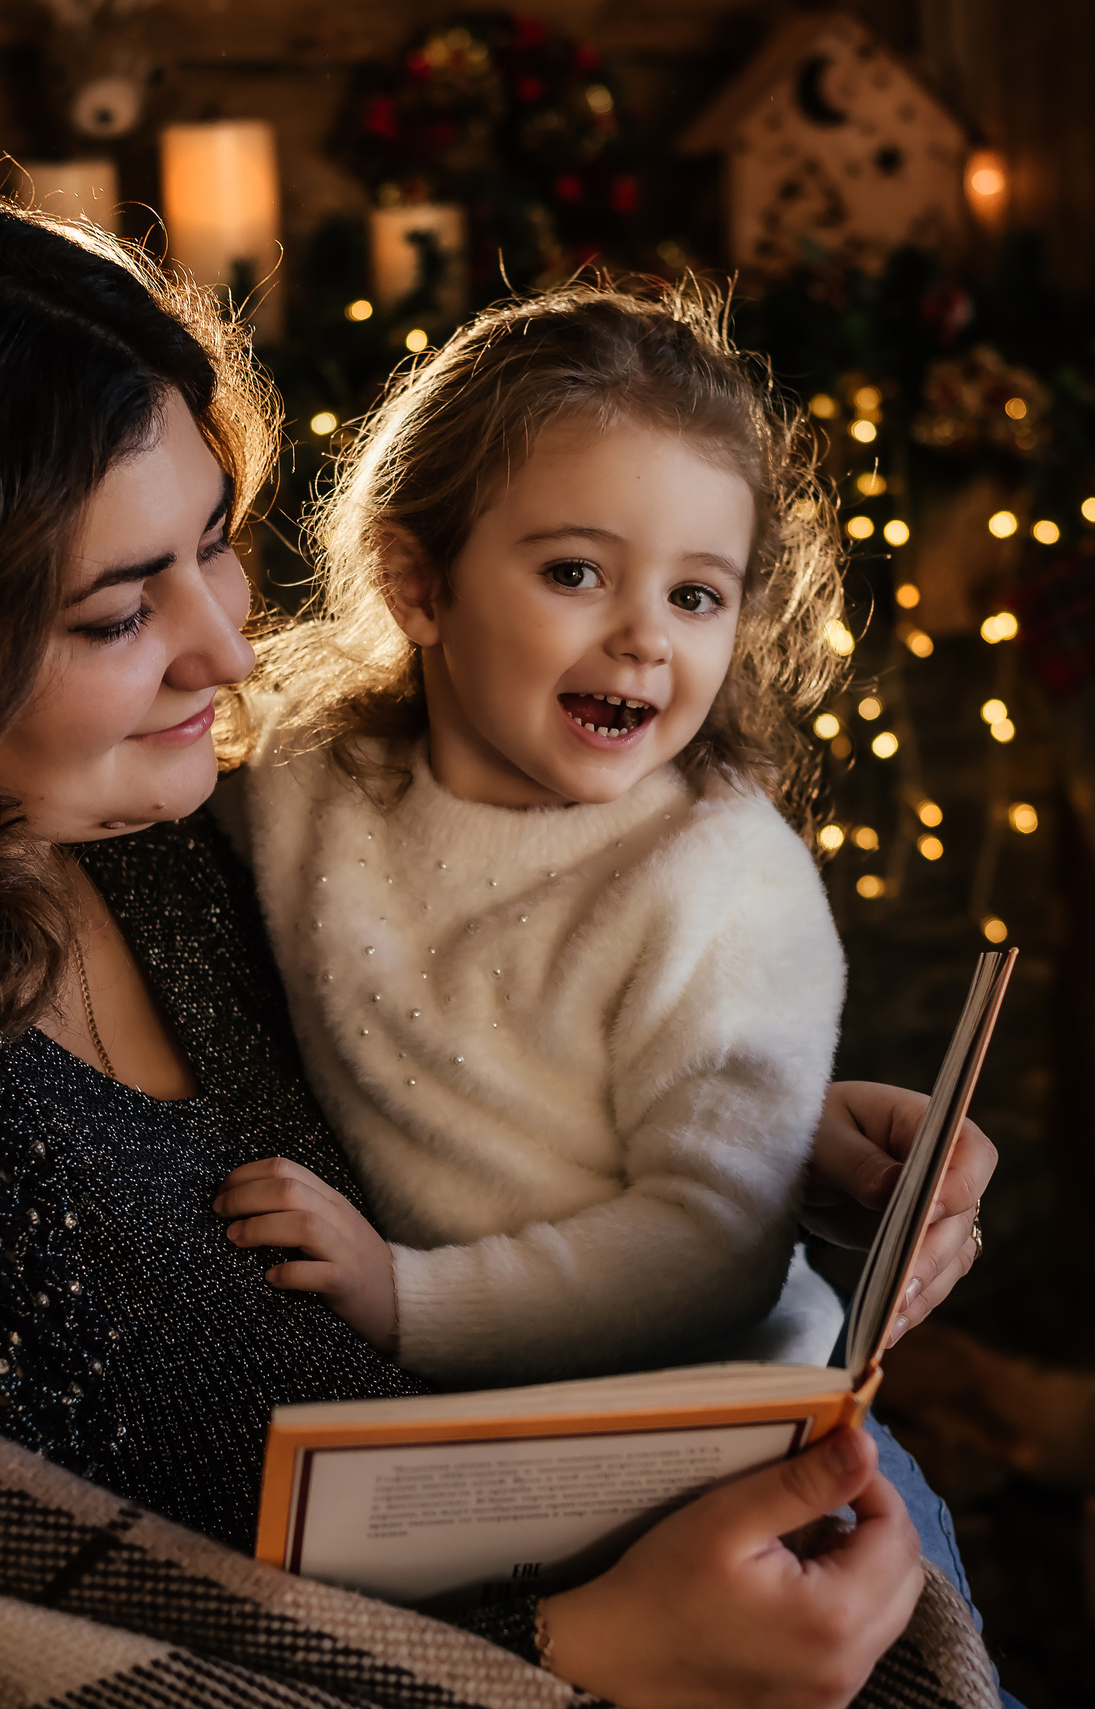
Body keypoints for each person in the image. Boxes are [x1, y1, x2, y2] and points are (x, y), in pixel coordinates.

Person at [0, 184, 994, 1707]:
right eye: (118, 613)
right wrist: (580, 1663)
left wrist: (766, 1143)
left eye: (217, 542)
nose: (230, 647)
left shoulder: (148, 841)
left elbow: (447, 1063)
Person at [211, 283, 857, 1389]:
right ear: (417, 583)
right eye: (575, 572)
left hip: (705, 1408)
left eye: (697, 595)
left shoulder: (721, 878)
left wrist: (407, 1297)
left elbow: (715, 1247)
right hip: (461, 1422)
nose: (646, 637)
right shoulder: (312, 775)